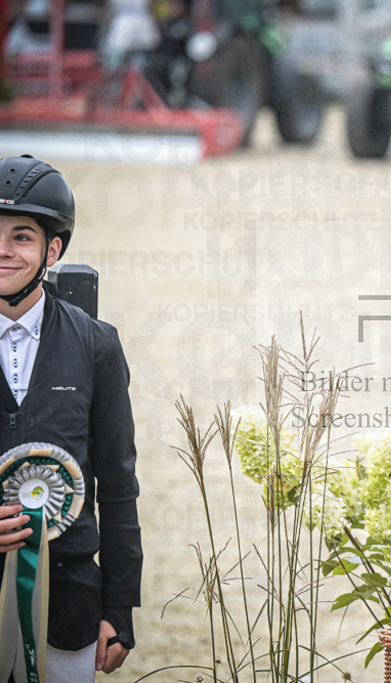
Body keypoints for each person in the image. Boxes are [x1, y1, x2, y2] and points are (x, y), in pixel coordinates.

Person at [0, 156, 143, 679]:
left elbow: (118, 484)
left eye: (21, 237)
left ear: (52, 250)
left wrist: (119, 606)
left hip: (71, 602)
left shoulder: (96, 345)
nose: (3, 250)